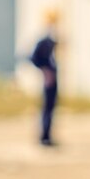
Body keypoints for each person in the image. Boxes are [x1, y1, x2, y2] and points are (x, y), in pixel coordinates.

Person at [30, 9, 59, 147]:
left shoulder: (52, 41)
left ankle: (48, 134)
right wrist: (45, 71)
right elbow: (33, 58)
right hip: (48, 79)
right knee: (46, 107)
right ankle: (44, 136)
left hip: (53, 78)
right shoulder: (43, 40)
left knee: (52, 107)